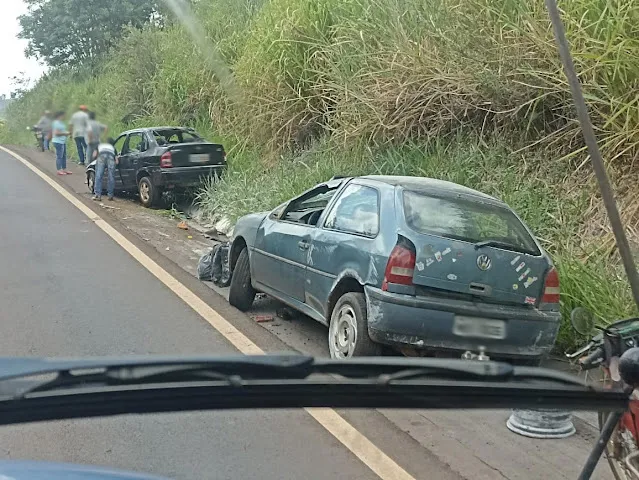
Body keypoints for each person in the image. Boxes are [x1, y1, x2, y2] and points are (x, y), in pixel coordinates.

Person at [92, 137, 117, 201]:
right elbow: (117, 161)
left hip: (101, 155)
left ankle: (98, 195)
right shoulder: (113, 148)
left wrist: (96, 160)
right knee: (111, 177)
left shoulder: (100, 145)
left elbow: (94, 155)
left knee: (99, 176)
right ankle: (110, 195)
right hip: (111, 156)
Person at [51, 111, 72, 175]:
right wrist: (65, 133)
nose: (65, 117)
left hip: (62, 141)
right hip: (58, 141)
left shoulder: (61, 123)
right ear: (60, 116)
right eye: (64, 115)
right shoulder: (56, 123)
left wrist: (67, 132)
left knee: (64, 156)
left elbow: (62, 130)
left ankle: (64, 169)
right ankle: (59, 170)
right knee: (59, 156)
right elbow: (56, 133)